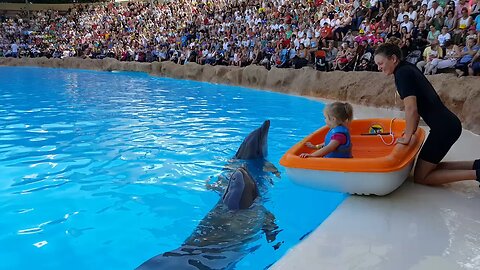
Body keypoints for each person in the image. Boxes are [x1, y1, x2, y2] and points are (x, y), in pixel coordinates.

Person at [373, 42, 480, 185]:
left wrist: (408, 137)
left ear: (393, 59)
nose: (379, 68)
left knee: (421, 177)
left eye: (380, 63)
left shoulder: (402, 74)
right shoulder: (407, 68)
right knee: (428, 167)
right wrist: (409, 131)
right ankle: (476, 166)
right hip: (447, 125)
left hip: (444, 129)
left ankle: (477, 174)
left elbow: (411, 109)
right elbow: (415, 110)